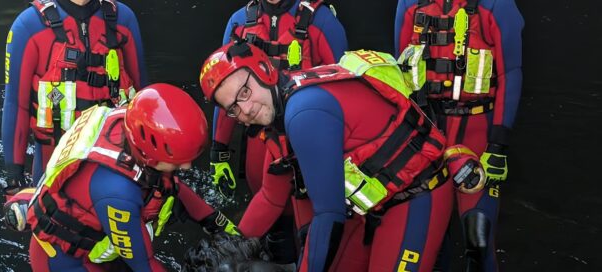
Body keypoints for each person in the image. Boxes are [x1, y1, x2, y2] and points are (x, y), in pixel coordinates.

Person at [199, 42, 490, 271]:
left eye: (245, 92)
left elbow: (329, 214)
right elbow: (271, 197)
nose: (245, 109)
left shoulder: (303, 113)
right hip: (372, 208)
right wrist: (225, 248)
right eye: (233, 108)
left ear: (264, 69)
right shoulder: (278, 120)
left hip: (416, 197)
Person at [22, 84, 238, 271]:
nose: (188, 166)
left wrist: (226, 228)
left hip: (96, 234)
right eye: (178, 161)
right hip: (64, 262)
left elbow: (173, 186)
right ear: (149, 154)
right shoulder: (117, 193)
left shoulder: (132, 122)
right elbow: (144, 264)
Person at [209, 0, 347, 264]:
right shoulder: (239, 22)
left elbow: (342, 90)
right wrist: (219, 149)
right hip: (259, 147)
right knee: (272, 231)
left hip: (307, 149)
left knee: (314, 227)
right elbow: (224, 93)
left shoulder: (323, 22)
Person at [395, 0, 524, 270]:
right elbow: (401, 67)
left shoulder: (497, 5)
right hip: (426, 133)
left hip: (477, 133)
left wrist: (498, 144)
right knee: (425, 238)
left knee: (477, 237)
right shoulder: (409, 4)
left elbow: (510, 73)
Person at [1, 0, 147, 200]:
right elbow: (15, 106)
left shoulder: (124, 19)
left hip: (118, 165)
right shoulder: (28, 26)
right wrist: (14, 183)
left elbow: (144, 98)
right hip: (52, 169)